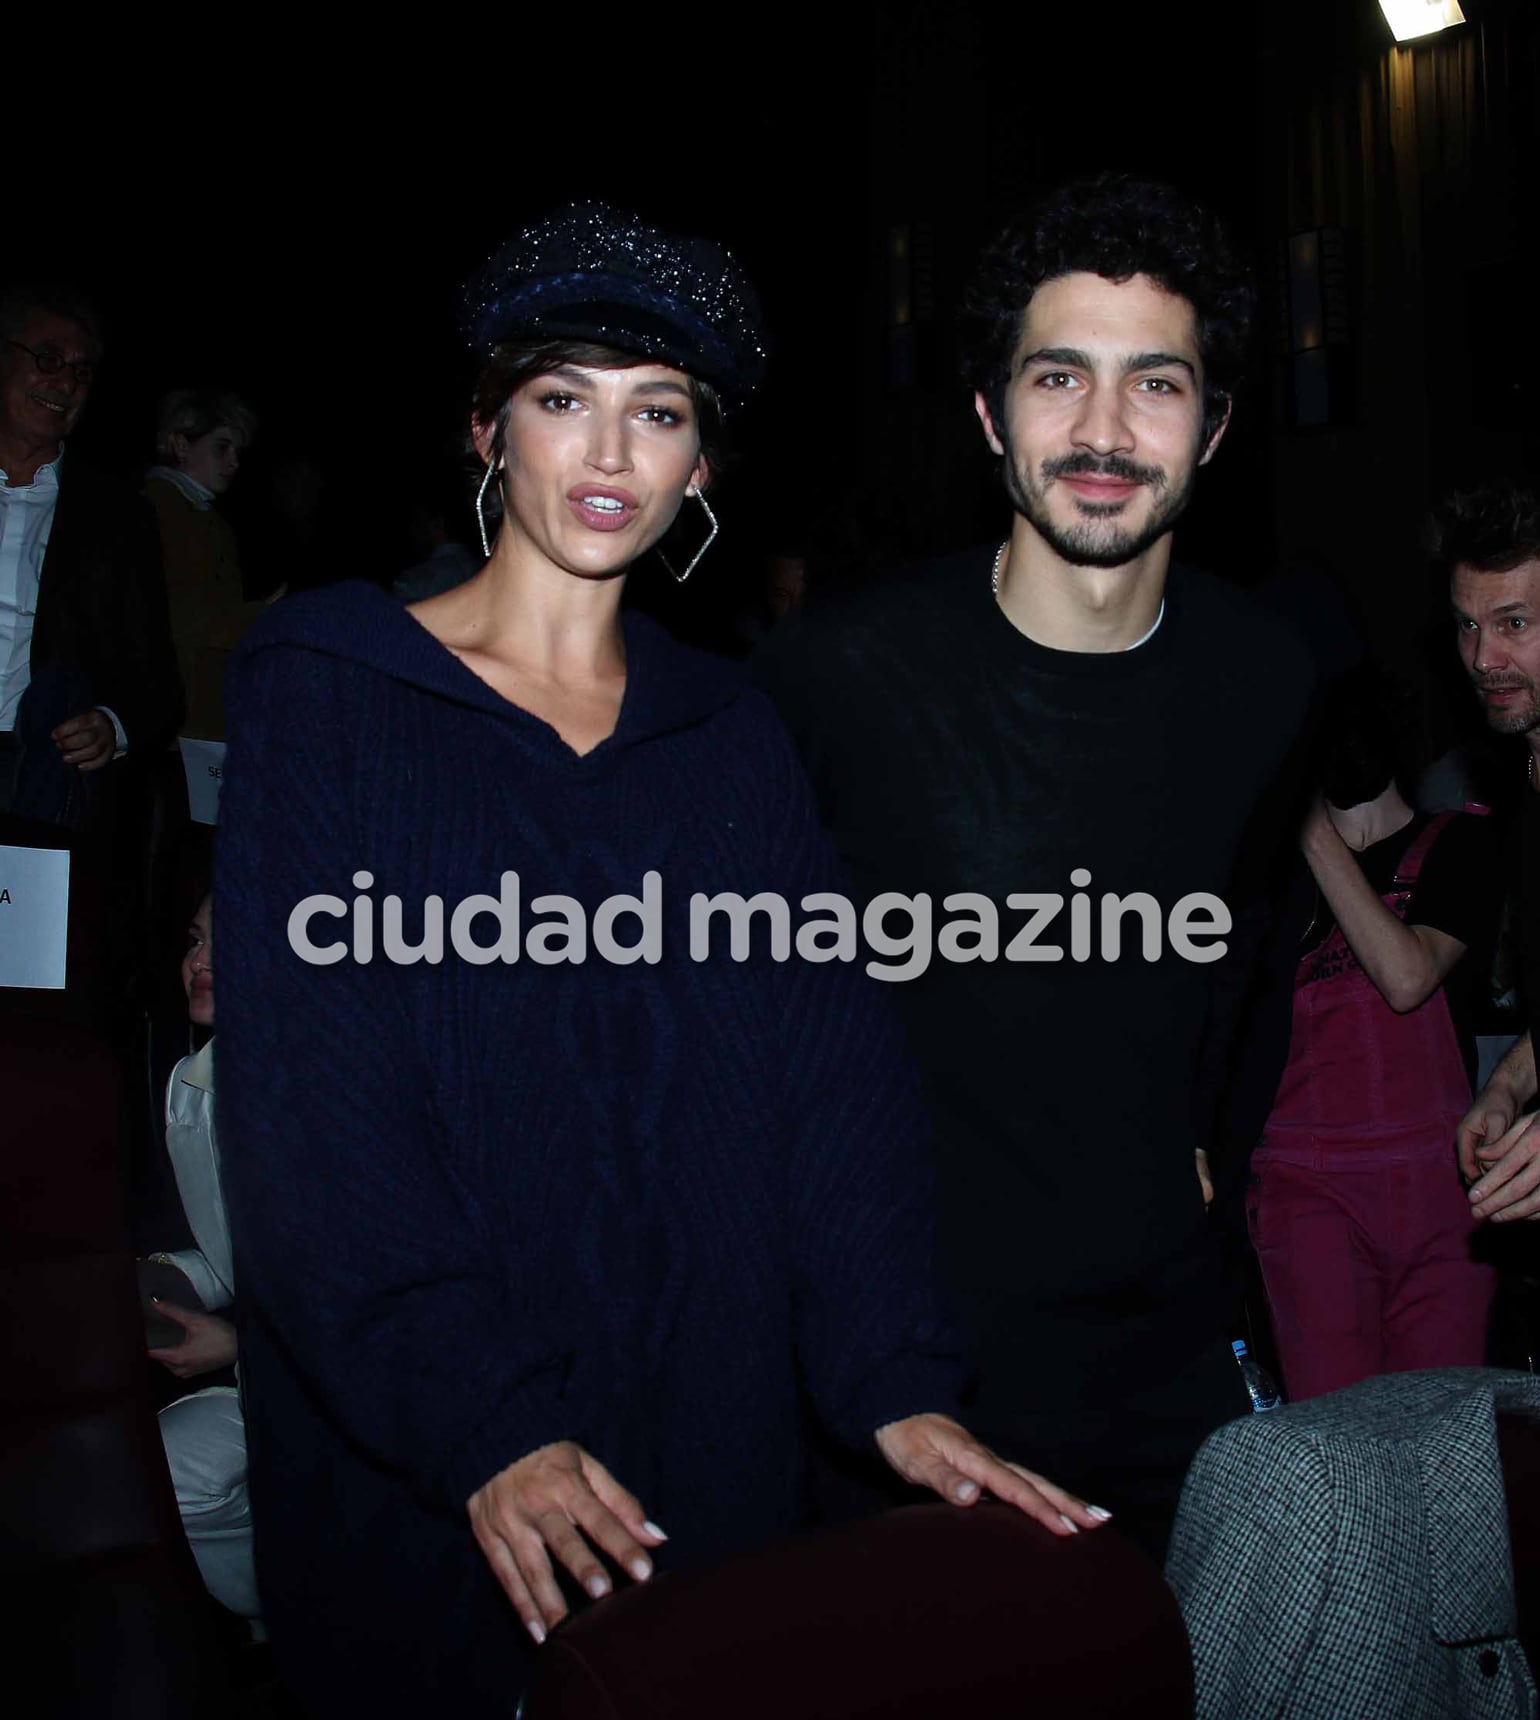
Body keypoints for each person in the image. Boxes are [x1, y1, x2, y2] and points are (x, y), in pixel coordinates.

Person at [216, 203, 1104, 1715]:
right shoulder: (330, 693)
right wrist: (476, 1413)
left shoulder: (729, 737)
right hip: (433, 1466)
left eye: (660, 414)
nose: (611, 456)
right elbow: (315, 1111)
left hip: (711, 1437)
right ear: (488, 428)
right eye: (566, 400)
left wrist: (892, 1375)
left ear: (703, 466)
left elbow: (833, 1081)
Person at [755, 173, 1315, 1557]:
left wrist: (1208, 1142)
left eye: (1158, 385)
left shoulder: (1267, 677)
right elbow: (748, 1031)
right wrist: (849, 1349)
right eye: (1060, 378)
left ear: (1218, 425)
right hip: (905, 1372)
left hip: (1167, 1358)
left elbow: (1248, 951)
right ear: (992, 414)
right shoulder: (838, 679)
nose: (1108, 432)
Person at [1248, 674, 1498, 1400]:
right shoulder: (1267, 885)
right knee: (1339, 1447)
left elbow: (1407, 976)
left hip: (1439, 1190)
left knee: (1442, 1437)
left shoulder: (1461, 845)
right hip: (1306, 1191)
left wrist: (1312, 831)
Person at [0, 284, 180, 825]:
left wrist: (112, 723)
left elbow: (160, 684)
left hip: (34, 777)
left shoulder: (117, 518)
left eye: (81, 372)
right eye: (49, 359)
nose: (66, 383)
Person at [142, 894, 260, 1628]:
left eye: (231, 939)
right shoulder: (195, 1084)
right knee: (159, 1469)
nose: (201, 960)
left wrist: (241, 1344)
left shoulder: (335, 1098)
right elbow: (234, 1259)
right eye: (194, 938)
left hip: (375, 1398)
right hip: (279, 1382)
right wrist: (158, 1279)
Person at [1445, 482, 1540, 1223]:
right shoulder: (1523, 782)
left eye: (1513, 623)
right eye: (1467, 626)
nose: (1482, 657)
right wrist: (1511, 1081)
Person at [145, 388, 262, 741]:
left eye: (237, 451)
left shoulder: (206, 516)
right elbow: (178, 616)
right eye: (221, 447)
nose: (234, 462)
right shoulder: (157, 509)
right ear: (181, 445)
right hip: (173, 714)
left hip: (205, 707)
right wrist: (264, 615)